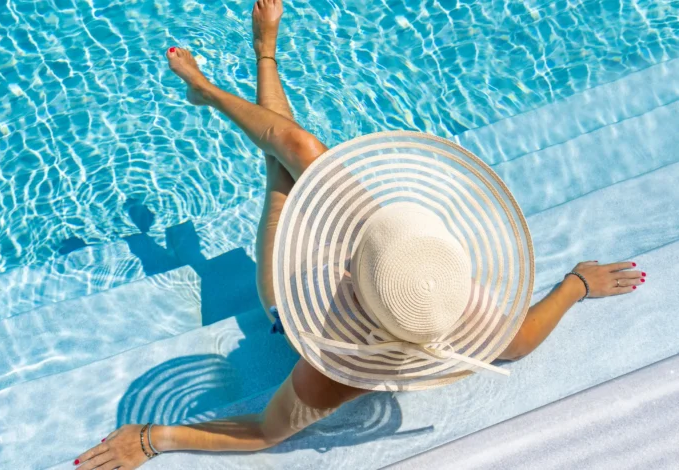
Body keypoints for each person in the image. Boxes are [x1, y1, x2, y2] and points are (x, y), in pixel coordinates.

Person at [74, 1, 646, 468]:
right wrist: (574, 286)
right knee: (300, 151)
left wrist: (151, 440)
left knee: (281, 175)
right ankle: (244, 71)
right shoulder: (441, 291)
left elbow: (263, 433)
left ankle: (234, 73)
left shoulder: (334, 371)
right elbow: (519, 340)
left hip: (292, 295)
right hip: (382, 256)